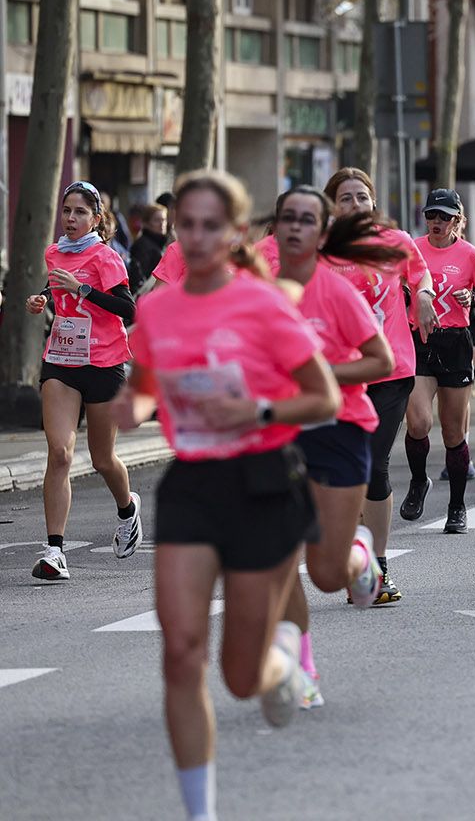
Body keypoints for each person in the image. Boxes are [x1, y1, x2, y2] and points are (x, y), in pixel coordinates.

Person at [110, 170, 340, 821]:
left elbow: (321, 396)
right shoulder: (156, 308)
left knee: (240, 676)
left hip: (264, 477)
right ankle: (200, 813)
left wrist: (258, 409)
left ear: (238, 233)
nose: (200, 236)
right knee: (181, 652)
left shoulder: (263, 303)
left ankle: (281, 669)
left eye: (214, 225)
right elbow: (151, 386)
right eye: (188, 224)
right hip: (191, 483)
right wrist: (137, 404)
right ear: (175, 232)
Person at [271, 187, 396, 708]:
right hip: (278, 431)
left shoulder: (336, 292)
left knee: (325, 573)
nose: (296, 227)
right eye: (287, 219)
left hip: (340, 425)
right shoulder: (260, 292)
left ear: (322, 234)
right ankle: (302, 669)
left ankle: (360, 557)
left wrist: (320, 375)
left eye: (307, 220)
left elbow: (381, 361)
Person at [322, 168, 436, 604]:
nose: (355, 205)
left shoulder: (396, 242)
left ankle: (378, 566)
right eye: (346, 198)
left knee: (373, 464)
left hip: (391, 370)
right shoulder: (320, 251)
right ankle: (356, 558)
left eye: (362, 198)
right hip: (339, 374)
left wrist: (423, 295)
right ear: (333, 206)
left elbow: (419, 276)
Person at [24, 180, 140, 581]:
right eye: (66, 210)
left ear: (95, 218)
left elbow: (128, 309)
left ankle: (127, 509)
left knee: (103, 459)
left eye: (79, 212)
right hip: (61, 360)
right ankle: (54, 551)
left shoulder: (106, 258)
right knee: (59, 453)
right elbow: (58, 290)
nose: (70, 219)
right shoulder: (54, 252)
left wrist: (84, 289)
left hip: (103, 363)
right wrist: (43, 298)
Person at [400, 189, 475, 533]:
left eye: (444, 217)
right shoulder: (412, 248)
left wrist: (474, 296)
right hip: (420, 340)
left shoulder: (470, 255)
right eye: (431, 216)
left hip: (455, 341)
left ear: (458, 220)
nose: (436, 222)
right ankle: (418, 481)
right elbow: (397, 284)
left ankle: (457, 506)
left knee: (453, 431)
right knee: (419, 423)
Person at [129, 201, 169, 293]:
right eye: (157, 220)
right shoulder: (143, 246)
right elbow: (139, 279)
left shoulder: (160, 244)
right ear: (146, 223)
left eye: (164, 220)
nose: (162, 224)